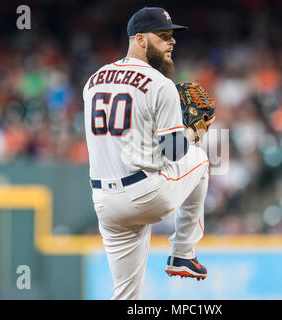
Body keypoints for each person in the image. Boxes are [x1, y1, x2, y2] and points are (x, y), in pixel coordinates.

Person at [83, 7, 215, 300]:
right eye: (163, 36)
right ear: (140, 39)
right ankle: (183, 253)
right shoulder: (160, 84)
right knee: (202, 159)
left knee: (126, 297)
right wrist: (195, 132)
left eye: (172, 36)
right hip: (144, 194)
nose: (172, 42)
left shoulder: (93, 80)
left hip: (105, 204)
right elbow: (175, 152)